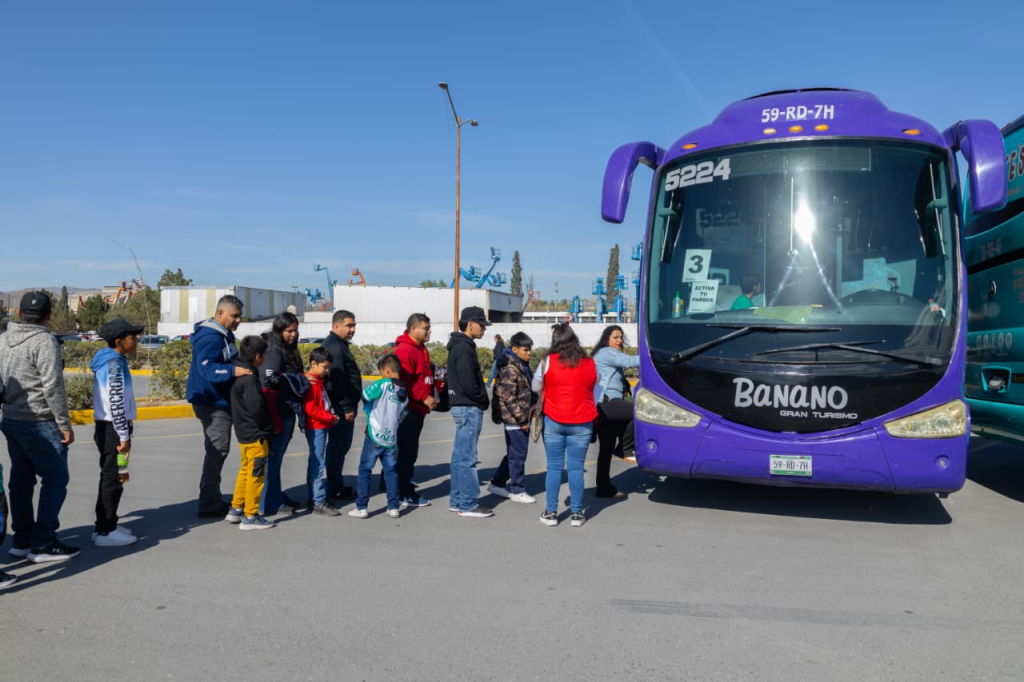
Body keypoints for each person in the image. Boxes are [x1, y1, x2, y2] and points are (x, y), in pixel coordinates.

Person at [0, 291, 78, 562]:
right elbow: (52, 386)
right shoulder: (45, 341)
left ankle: (21, 541)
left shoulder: (3, 339)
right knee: (55, 479)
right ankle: (43, 543)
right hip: (40, 421)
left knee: (21, 481)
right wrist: (64, 424)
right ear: (49, 316)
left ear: (19, 313)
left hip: (12, 419)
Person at [186, 295, 250, 518]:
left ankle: (211, 498)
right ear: (220, 313)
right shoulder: (210, 338)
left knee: (218, 451)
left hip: (220, 401)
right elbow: (207, 369)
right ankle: (208, 502)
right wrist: (233, 371)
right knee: (217, 450)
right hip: (212, 404)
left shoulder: (223, 335)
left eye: (240, 316)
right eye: (235, 316)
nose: (238, 320)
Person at [533, 323, 597, 528]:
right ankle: (577, 513)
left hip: (554, 418)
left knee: (554, 467)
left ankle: (551, 512)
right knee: (576, 467)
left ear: (555, 341)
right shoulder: (590, 363)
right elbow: (596, 390)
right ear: (574, 340)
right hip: (583, 420)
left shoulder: (547, 362)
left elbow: (535, 386)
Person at [90, 317, 145, 547]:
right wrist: (123, 436)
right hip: (113, 429)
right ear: (119, 341)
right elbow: (116, 402)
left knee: (114, 475)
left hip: (110, 427)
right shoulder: (114, 364)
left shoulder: (113, 360)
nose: (137, 341)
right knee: (113, 478)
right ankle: (106, 531)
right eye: (133, 337)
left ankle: (107, 523)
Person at [446, 306, 494, 518]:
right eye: (481, 324)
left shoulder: (459, 346)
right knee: (467, 457)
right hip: (468, 407)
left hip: (462, 406)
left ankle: (457, 499)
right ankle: (467, 503)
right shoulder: (464, 348)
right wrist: (482, 399)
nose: (484, 328)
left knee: (460, 456)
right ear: (470, 324)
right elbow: (468, 382)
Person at [348, 355, 407, 519]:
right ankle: (393, 506)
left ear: (386, 370)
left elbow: (365, 395)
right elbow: (402, 413)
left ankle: (361, 507)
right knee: (391, 471)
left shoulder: (383, 383)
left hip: (374, 434)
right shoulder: (403, 391)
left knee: (365, 469)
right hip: (391, 437)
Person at [258, 312, 305, 516]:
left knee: (275, 458)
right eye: (289, 331)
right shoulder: (273, 349)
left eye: (295, 330)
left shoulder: (283, 347)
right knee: (273, 459)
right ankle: (269, 503)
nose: (293, 334)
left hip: (284, 408)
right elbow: (269, 379)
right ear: (279, 330)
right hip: (277, 410)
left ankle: (275, 495)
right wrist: (295, 382)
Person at [226, 336, 276, 530]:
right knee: (256, 474)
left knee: (246, 470)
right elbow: (257, 408)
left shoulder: (238, 374)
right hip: (256, 434)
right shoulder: (250, 379)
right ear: (257, 356)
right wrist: (268, 427)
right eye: (264, 354)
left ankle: (236, 508)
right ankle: (251, 516)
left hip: (243, 433)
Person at [392, 313, 437, 507]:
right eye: (426, 328)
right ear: (413, 329)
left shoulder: (420, 348)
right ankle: (403, 493)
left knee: (406, 451)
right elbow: (403, 381)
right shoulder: (405, 350)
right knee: (407, 451)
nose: (429, 331)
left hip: (417, 409)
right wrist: (423, 396)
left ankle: (394, 483)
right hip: (408, 409)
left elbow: (421, 376)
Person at [487, 331, 537, 504]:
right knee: (518, 455)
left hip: (519, 417)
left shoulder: (520, 364)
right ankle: (517, 489)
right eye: (525, 350)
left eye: (530, 349)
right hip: (515, 419)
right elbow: (509, 398)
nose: (529, 353)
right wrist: (522, 420)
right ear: (514, 349)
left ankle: (497, 483)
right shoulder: (511, 368)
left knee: (514, 453)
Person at [592, 325, 640, 499]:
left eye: (621, 337)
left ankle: (603, 488)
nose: (619, 340)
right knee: (640, 411)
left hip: (603, 406)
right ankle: (625, 448)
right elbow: (629, 361)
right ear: (607, 339)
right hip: (608, 403)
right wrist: (652, 355)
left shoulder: (606, 354)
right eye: (616, 337)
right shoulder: (607, 352)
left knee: (606, 448)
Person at [321, 310, 360, 501]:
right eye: (348, 325)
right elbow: (336, 379)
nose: (352, 329)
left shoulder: (339, 344)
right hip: (340, 407)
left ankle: (335, 484)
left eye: (354, 325)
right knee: (338, 447)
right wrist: (346, 407)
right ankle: (334, 487)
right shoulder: (334, 347)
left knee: (339, 447)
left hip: (342, 405)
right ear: (336, 326)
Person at [303, 347, 342, 516]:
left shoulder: (317, 380)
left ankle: (316, 497)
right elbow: (311, 409)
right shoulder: (311, 383)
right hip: (316, 426)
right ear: (313, 364)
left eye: (328, 367)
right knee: (317, 463)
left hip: (321, 425)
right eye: (324, 367)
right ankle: (317, 501)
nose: (327, 371)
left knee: (317, 461)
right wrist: (329, 418)